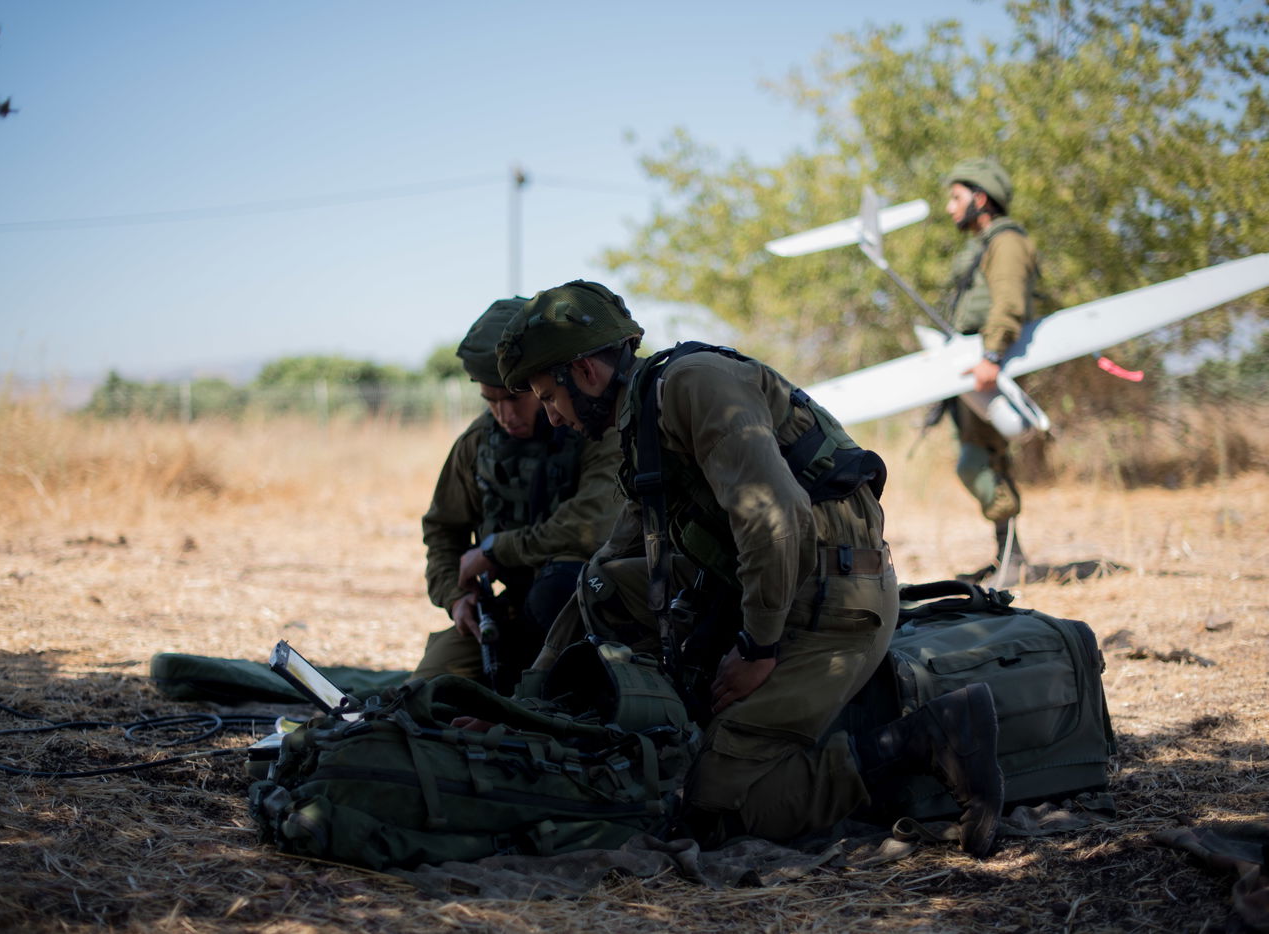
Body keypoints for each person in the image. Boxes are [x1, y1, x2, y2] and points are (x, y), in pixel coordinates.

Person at [494, 280, 1005, 857]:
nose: (553, 417)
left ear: (585, 372)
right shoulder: (643, 424)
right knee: (604, 586)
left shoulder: (693, 384)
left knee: (714, 810)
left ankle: (925, 738)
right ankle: (670, 725)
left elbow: (776, 516)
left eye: (548, 396)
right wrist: (524, 710)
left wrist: (756, 649)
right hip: (772, 588)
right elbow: (609, 560)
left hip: (831, 603)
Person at [412, 297, 623, 694]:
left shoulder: (597, 429)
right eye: (490, 401)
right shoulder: (477, 444)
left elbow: (592, 526)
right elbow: (442, 531)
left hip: (590, 608)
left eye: (514, 399)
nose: (503, 415)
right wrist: (457, 598)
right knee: (425, 694)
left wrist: (494, 550)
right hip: (507, 611)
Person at [942, 156, 1042, 584]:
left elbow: (1008, 303)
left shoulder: (1007, 243)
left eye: (956, 197)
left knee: (978, 462)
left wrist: (992, 358)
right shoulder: (984, 245)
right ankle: (1008, 556)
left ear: (980, 199)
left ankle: (1012, 561)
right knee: (988, 461)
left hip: (992, 367)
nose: (950, 207)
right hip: (976, 366)